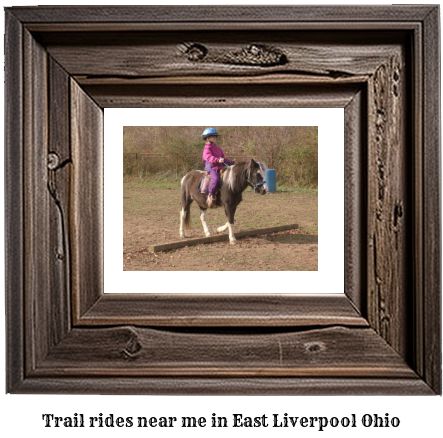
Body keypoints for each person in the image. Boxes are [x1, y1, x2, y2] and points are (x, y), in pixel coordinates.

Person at [201, 128, 235, 207]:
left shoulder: (218, 149)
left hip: (220, 167)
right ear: (207, 138)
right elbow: (208, 158)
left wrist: (230, 162)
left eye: (215, 137)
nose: (214, 138)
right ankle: (211, 194)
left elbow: (223, 159)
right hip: (212, 168)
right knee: (216, 179)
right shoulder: (207, 149)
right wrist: (217, 160)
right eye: (212, 137)